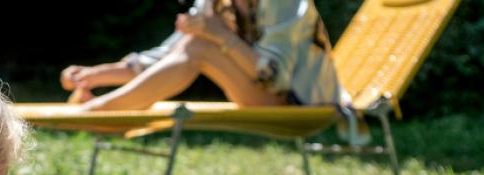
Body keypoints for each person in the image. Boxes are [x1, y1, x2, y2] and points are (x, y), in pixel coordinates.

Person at [60, 0, 343, 112]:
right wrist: (96, 75)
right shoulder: (216, 3)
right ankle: (109, 108)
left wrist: (222, 36)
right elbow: (169, 56)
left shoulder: (287, 3)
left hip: (304, 102)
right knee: (196, 42)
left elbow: (275, 76)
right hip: (264, 94)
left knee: (201, 46)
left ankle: (103, 109)